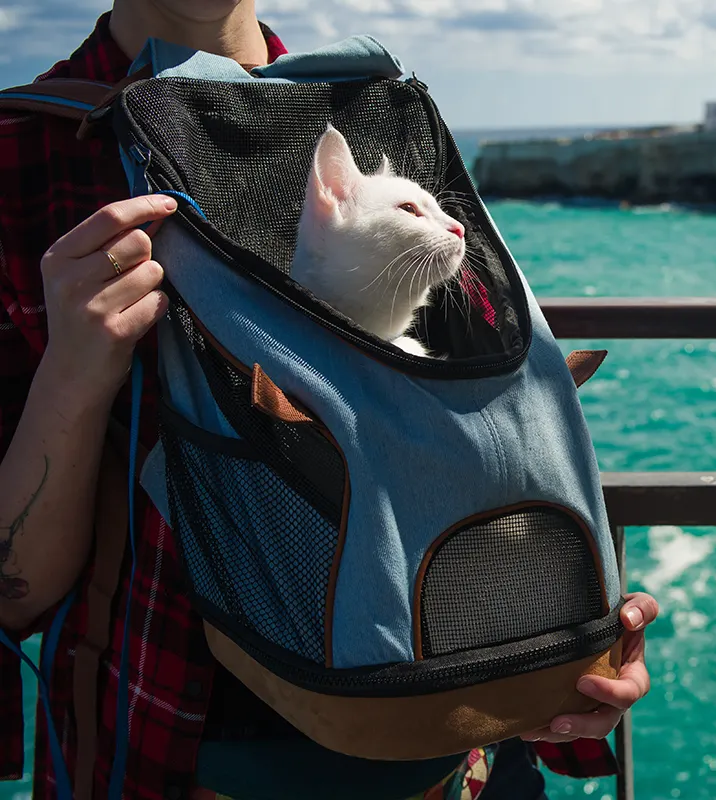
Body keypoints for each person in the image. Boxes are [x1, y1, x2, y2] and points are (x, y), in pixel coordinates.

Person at [0, 3, 660, 798]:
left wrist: (567, 648)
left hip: (457, 741)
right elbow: (14, 596)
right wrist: (73, 374)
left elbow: (492, 432)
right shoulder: (21, 153)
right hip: (183, 753)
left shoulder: (374, 108)